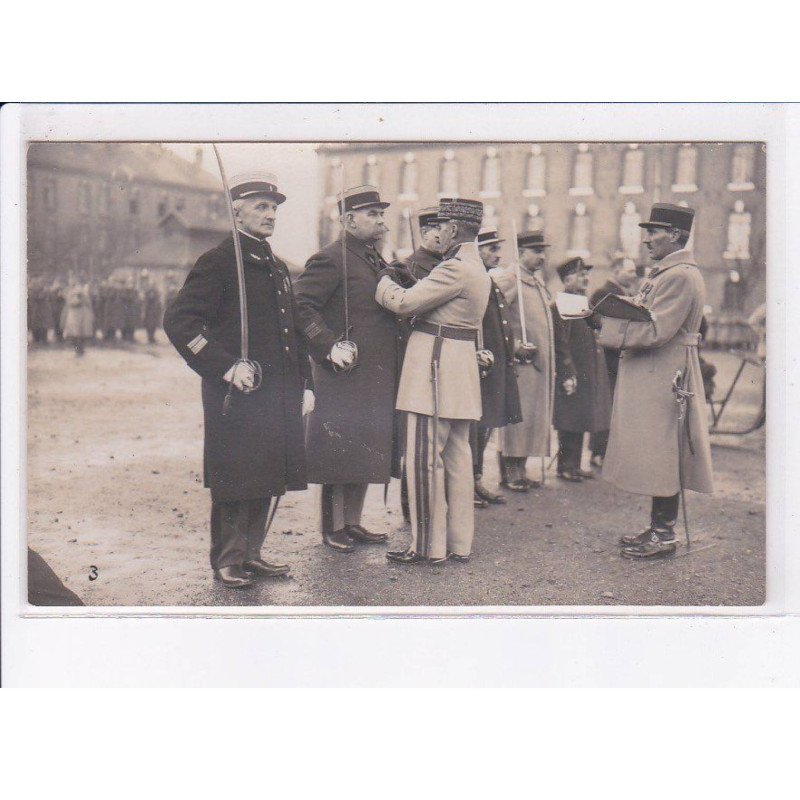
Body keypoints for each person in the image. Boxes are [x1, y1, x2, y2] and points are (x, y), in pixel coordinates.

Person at [164, 172, 314, 588]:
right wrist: (226, 366)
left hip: (275, 391)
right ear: (237, 212)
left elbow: (292, 331)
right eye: (261, 206)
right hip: (237, 390)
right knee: (237, 472)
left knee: (266, 469)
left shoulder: (275, 265)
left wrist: (306, 384)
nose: (271, 215)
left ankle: (252, 553)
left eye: (274, 208)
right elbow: (180, 321)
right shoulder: (218, 261)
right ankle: (228, 558)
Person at [595, 203, 713, 558]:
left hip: (665, 371)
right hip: (659, 369)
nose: (646, 239)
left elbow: (657, 330)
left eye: (653, 232)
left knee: (664, 451)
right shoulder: (667, 272)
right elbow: (646, 314)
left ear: (675, 235)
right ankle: (658, 527)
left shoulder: (679, 276)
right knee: (660, 450)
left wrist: (606, 328)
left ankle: (664, 535)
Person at [377, 197, 491, 565]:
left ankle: (427, 546)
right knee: (457, 460)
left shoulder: (454, 268)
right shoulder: (475, 266)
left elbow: (404, 303)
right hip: (459, 370)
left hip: (435, 371)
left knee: (424, 460)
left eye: (441, 227)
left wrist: (384, 280)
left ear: (454, 229)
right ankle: (459, 543)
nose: (437, 233)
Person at [294, 185, 400, 553]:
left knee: (364, 447)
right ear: (349, 220)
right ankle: (333, 526)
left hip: (375, 375)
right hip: (344, 372)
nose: (381, 220)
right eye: (373, 214)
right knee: (337, 450)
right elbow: (300, 305)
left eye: (381, 213)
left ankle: (352, 522)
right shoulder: (330, 259)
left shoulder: (375, 261)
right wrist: (328, 345)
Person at [490, 232, 555, 491]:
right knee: (518, 420)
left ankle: (521, 469)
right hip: (521, 363)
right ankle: (510, 473)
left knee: (532, 418)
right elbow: (495, 315)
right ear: (520, 253)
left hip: (538, 365)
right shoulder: (510, 278)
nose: (542, 256)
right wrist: (515, 345)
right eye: (536, 251)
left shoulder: (534, 281)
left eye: (543, 251)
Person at [394, 206, 445, 522]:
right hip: (416, 355)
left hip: (440, 356)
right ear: (425, 233)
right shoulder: (410, 266)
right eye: (438, 230)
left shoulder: (447, 265)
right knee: (416, 438)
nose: (444, 236)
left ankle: (434, 501)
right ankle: (412, 507)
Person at [551, 257, 612, 481]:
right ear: (567, 280)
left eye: (587, 274)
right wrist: (567, 371)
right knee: (569, 420)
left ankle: (574, 465)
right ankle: (565, 466)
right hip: (573, 372)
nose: (585, 278)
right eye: (580, 274)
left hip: (587, 372)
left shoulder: (581, 302)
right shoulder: (562, 304)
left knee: (581, 418)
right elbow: (561, 342)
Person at [472, 229, 522, 506]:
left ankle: (476, 479)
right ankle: (467, 482)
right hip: (481, 367)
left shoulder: (488, 281)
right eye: (491, 248)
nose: (498, 254)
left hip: (495, 366)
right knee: (475, 428)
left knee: (485, 427)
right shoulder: (474, 281)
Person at [588, 256, 638, 466]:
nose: (634, 275)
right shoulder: (604, 293)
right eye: (630, 271)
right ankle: (599, 452)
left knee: (619, 407)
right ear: (616, 271)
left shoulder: (628, 293)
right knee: (606, 406)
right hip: (608, 359)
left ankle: (612, 452)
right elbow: (593, 321)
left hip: (623, 358)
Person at [61, 274, 95, 356]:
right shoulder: (70, 290)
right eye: (70, 280)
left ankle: (80, 349)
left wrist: (71, 300)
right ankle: (78, 349)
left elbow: (77, 302)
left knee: (78, 332)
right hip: (73, 312)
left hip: (79, 313)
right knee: (74, 332)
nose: (70, 281)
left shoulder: (78, 290)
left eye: (72, 280)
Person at [27, 277, 53, 344]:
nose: (37, 284)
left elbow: (41, 297)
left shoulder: (44, 290)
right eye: (35, 283)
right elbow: (35, 297)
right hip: (35, 310)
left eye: (38, 283)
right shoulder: (31, 291)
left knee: (43, 326)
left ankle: (43, 339)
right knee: (35, 325)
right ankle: (37, 339)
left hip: (42, 310)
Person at [140, 271, 163, 344]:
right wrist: (144, 311)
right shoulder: (148, 292)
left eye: (153, 284)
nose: (152, 286)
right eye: (151, 284)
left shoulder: (156, 292)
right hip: (149, 311)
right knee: (149, 325)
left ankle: (152, 337)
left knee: (154, 325)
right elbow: (146, 301)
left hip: (155, 311)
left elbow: (158, 301)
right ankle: (150, 337)